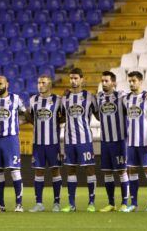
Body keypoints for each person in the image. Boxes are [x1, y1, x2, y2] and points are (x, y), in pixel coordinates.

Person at [0, 75, 31, 212]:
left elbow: (26, 115)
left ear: (7, 84)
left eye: (0, 84)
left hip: (11, 139)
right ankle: (1, 206)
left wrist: (19, 123)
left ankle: (19, 204)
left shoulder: (15, 99)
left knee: (15, 171)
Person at [121, 71, 147, 213]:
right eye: (129, 81)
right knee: (131, 170)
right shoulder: (126, 99)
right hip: (131, 143)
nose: (131, 83)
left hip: (145, 142)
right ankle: (134, 204)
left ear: (140, 81)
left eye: (134, 81)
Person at [60, 68, 98, 212]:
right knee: (70, 169)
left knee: (89, 169)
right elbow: (62, 116)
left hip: (85, 139)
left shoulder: (89, 97)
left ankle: (91, 203)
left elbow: (98, 115)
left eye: (76, 78)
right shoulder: (65, 98)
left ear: (82, 79)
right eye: (71, 78)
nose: (73, 81)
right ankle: (71, 204)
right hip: (69, 140)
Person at [26, 75, 64, 212]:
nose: (40, 85)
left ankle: (57, 203)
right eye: (38, 82)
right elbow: (29, 116)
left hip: (53, 143)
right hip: (38, 143)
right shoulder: (33, 100)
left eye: (43, 82)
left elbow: (63, 116)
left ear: (50, 85)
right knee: (38, 171)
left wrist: (56, 123)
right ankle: (39, 203)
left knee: (55, 170)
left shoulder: (58, 100)